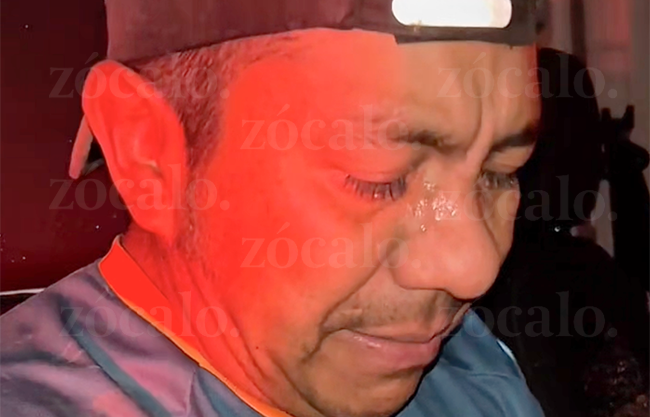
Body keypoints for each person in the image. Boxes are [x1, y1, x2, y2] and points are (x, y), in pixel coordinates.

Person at [0, 0, 545, 416]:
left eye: (500, 172)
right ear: (147, 155)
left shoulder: (473, 373)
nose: (473, 269)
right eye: (382, 180)